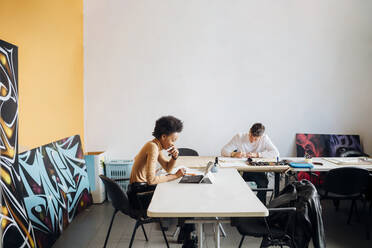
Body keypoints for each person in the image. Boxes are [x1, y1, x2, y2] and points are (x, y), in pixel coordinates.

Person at [128, 115, 186, 209]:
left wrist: (174, 157)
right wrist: (175, 176)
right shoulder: (153, 147)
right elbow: (151, 180)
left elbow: (167, 168)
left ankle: (182, 222)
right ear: (163, 136)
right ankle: (185, 222)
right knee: (177, 190)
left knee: (172, 185)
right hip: (139, 195)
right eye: (173, 140)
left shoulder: (155, 145)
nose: (173, 144)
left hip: (139, 190)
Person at [221, 123, 279, 204]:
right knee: (235, 183)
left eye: (256, 139)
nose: (252, 140)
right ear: (249, 131)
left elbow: (275, 153)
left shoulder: (264, 139)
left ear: (261, 137)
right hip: (241, 170)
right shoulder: (239, 137)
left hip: (256, 170)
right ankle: (236, 207)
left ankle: (260, 208)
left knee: (263, 183)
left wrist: (257, 154)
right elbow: (223, 150)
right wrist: (233, 154)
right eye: (251, 136)